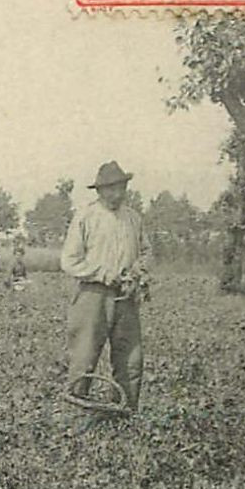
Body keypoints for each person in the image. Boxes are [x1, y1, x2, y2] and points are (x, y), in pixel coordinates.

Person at [61, 161, 153, 414]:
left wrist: (138, 272)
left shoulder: (133, 218)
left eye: (121, 188)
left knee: (131, 361)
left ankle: (124, 414)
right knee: (84, 357)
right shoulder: (86, 217)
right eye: (110, 189)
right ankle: (76, 416)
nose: (117, 194)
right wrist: (103, 274)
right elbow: (69, 261)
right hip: (93, 295)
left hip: (126, 295)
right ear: (99, 191)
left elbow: (146, 251)